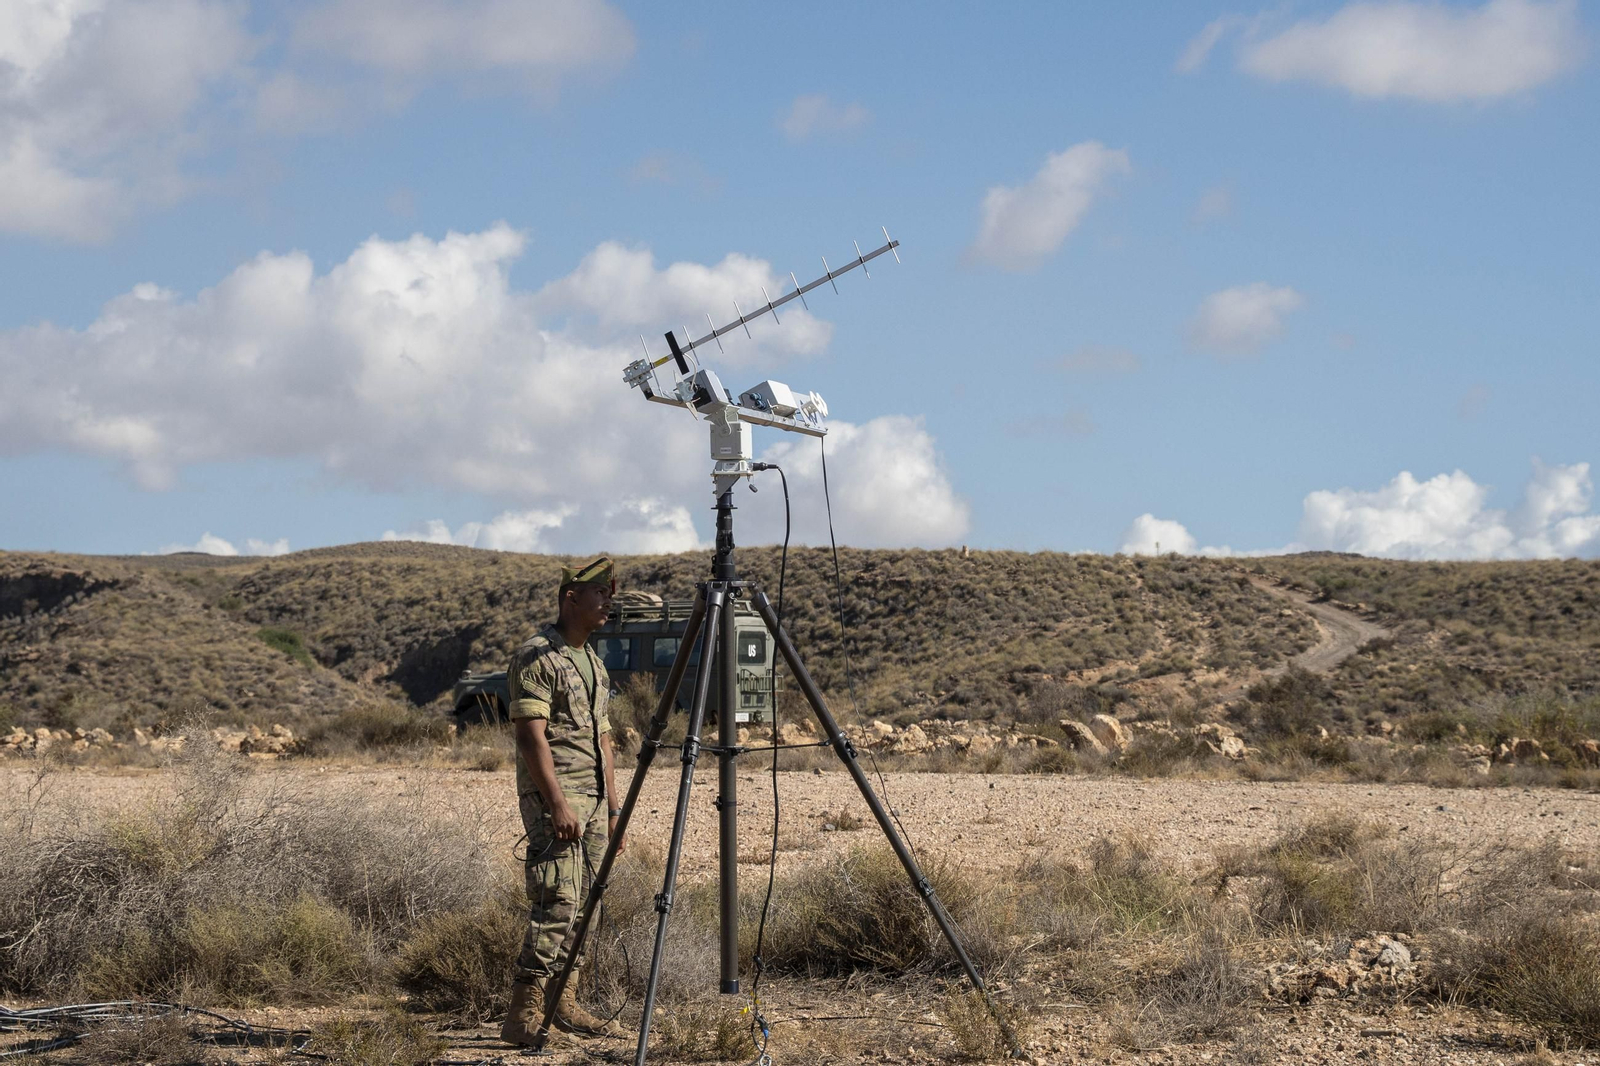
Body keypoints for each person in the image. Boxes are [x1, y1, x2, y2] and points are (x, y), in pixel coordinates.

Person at [500, 556, 627, 1046]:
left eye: (610, 593)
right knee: (557, 900)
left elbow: (604, 741)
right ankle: (522, 1015)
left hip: (594, 804)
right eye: (599, 593)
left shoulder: (592, 661)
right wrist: (556, 803)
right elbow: (531, 737)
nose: (607, 602)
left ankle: (563, 1004)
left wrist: (614, 810)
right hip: (558, 799)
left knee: (584, 906)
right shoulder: (537, 657)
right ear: (570, 597)